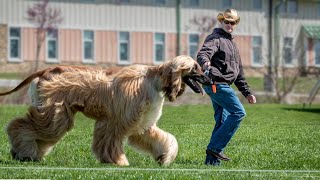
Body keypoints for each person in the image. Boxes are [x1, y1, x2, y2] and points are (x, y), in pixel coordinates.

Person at [197, 9, 257, 166]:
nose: (229, 25)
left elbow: (238, 74)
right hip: (216, 83)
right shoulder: (215, 38)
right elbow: (203, 54)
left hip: (221, 84)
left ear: (235, 24)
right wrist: (205, 63)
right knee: (238, 112)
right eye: (227, 22)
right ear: (221, 22)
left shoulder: (232, 44)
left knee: (222, 122)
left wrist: (247, 93)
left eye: (232, 22)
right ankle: (215, 148)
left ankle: (211, 163)